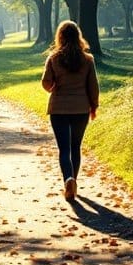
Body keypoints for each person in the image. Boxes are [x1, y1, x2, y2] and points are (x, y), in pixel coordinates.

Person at [41, 20, 99, 201]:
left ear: (60, 37)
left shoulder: (54, 58)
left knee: (64, 149)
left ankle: (68, 179)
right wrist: (94, 106)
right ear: (78, 36)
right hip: (81, 109)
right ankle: (74, 183)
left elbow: (46, 83)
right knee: (76, 146)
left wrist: (53, 86)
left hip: (58, 109)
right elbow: (93, 86)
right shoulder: (87, 60)